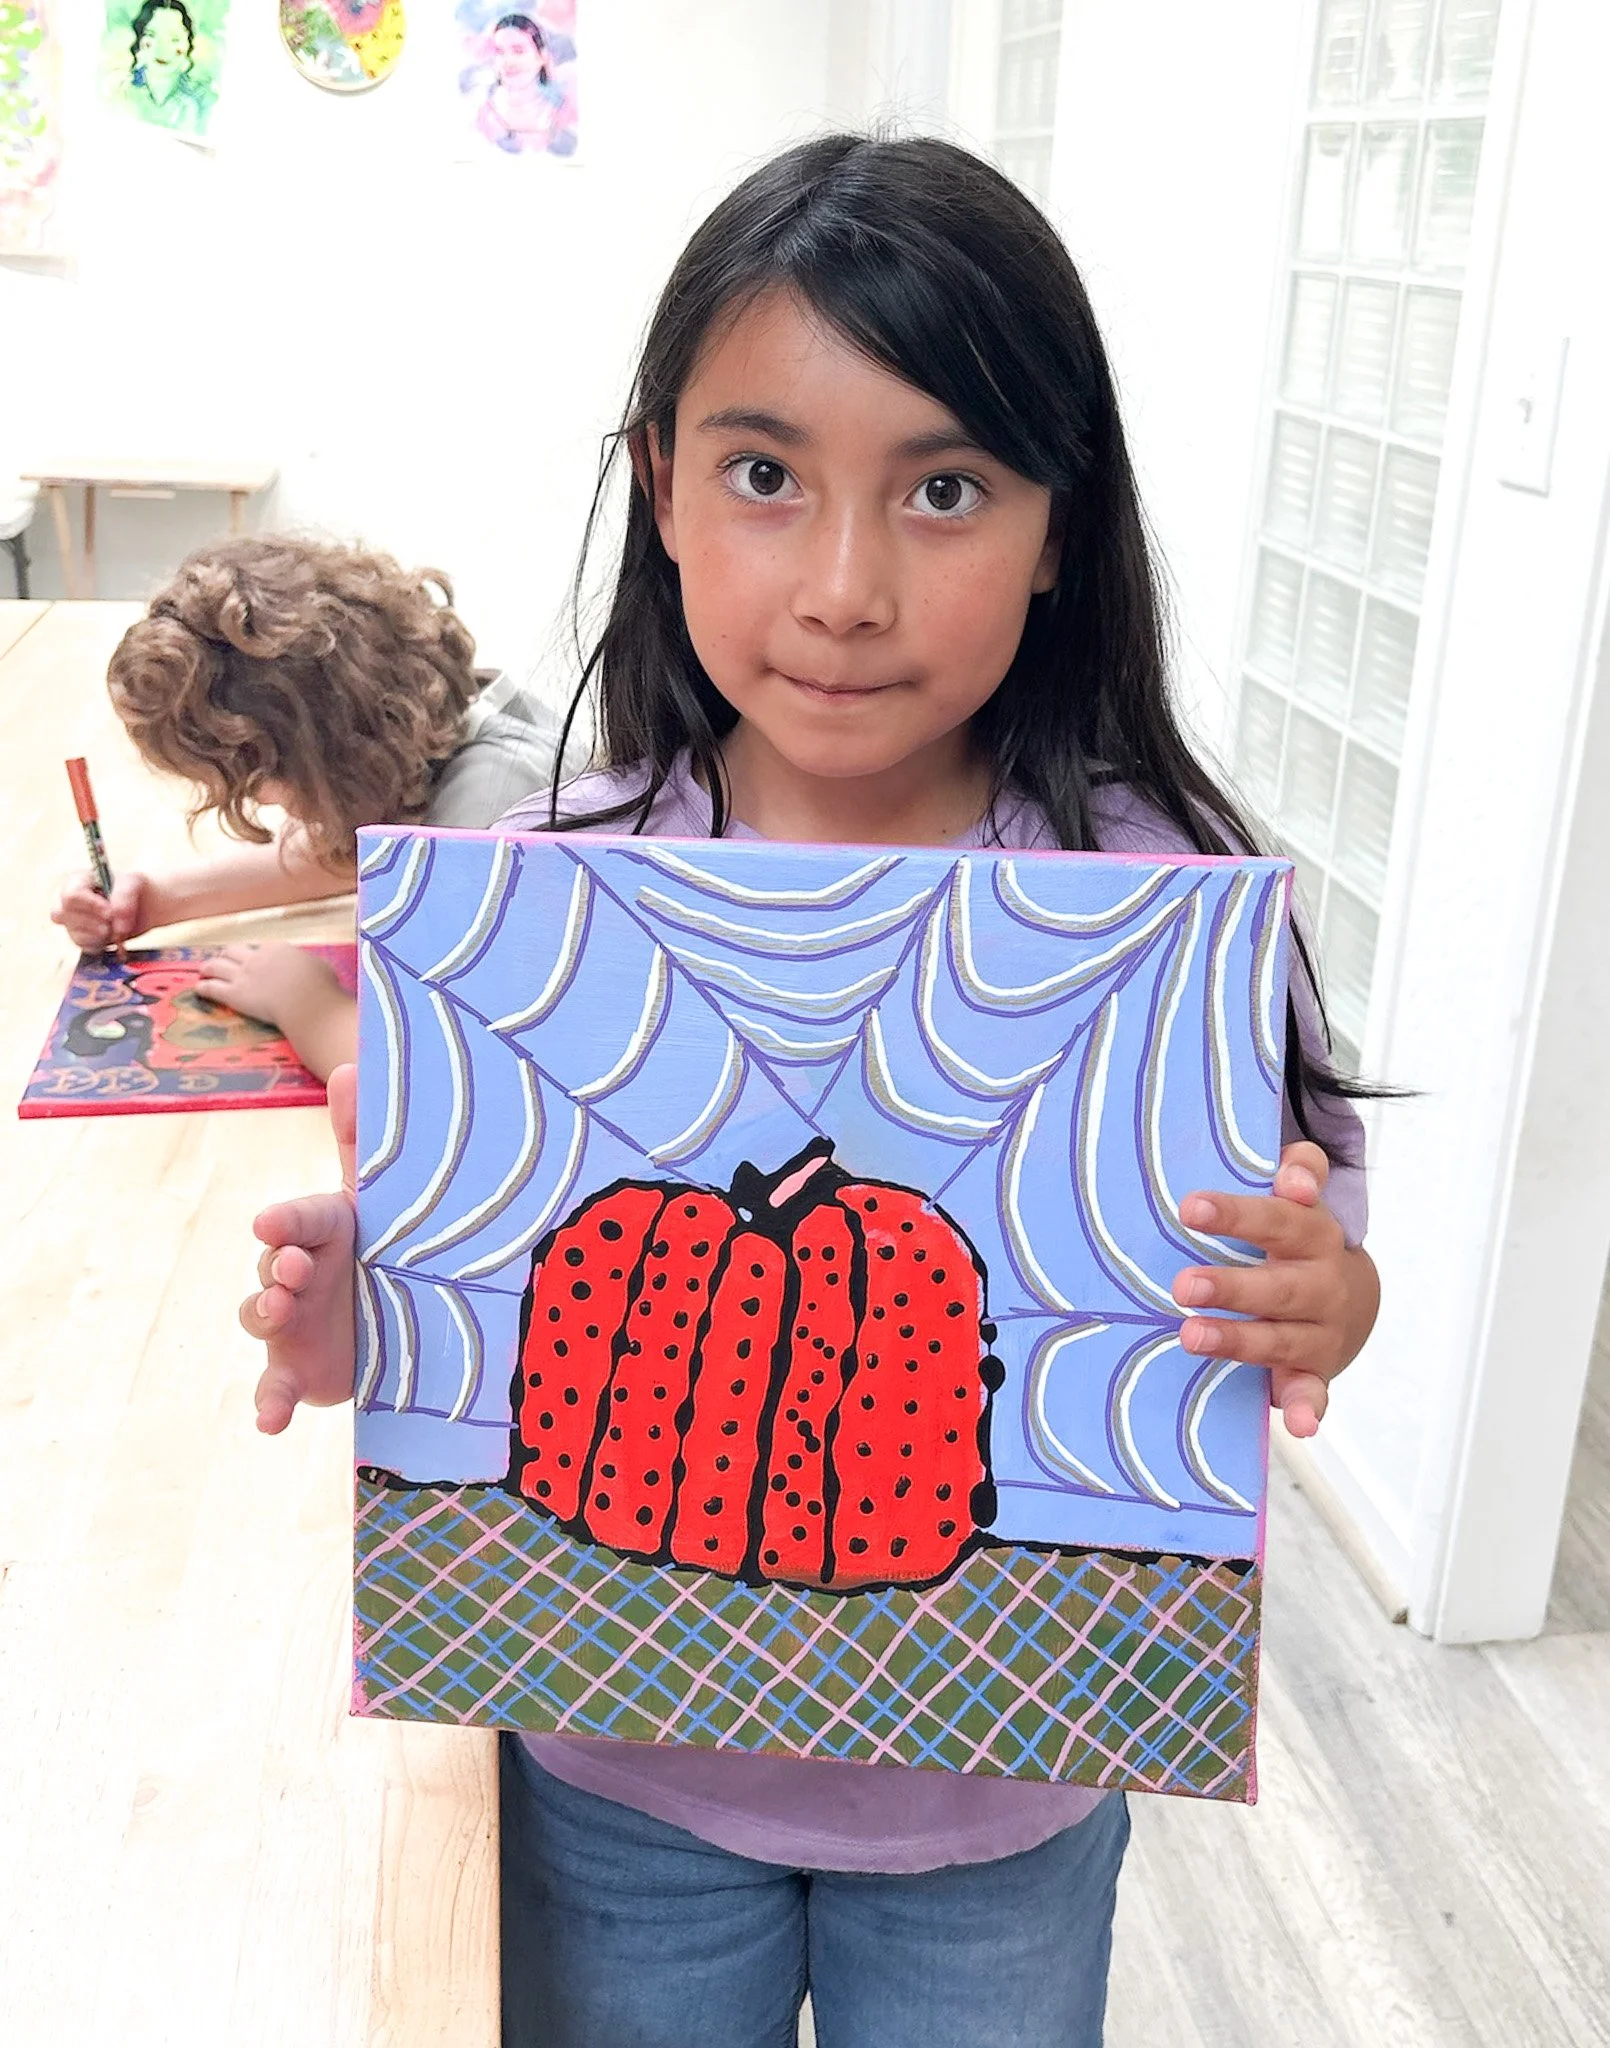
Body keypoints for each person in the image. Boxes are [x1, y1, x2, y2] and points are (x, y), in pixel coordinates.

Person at [237, 136, 1382, 2047]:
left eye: (944, 488)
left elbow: (1307, 1220)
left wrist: (1320, 1290)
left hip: (1006, 1796)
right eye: (768, 475)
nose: (845, 587)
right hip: (617, 1768)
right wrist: (367, 1301)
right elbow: (487, 1286)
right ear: (664, 489)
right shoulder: (549, 878)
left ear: (1061, 526)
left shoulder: (1156, 905)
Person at [53, 536, 560, 1079]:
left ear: (324, 753)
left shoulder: (492, 810)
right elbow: (338, 857)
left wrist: (305, 1002)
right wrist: (157, 901)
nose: (263, 804)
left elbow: (435, 1075)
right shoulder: (428, 732)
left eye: (255, 787)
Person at [475, 13, 569, 156]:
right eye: (499, 51)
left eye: (518, 51)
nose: (508, 61)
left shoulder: (557, 115)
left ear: (542, 57)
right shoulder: (483, 112)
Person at [126, 0, 210, 137]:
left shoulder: (202, 101)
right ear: (139, 40)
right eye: (151, 35)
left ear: (188, 44)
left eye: (174, 39)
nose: (162, 49)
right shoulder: (122, 92)